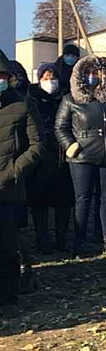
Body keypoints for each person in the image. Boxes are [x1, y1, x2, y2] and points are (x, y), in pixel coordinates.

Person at [55, 56, 106, 258]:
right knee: (82, 199)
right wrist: (71, 146)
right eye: (88, 73)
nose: (92, 77)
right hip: (81, 157)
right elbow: (60, 127)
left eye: (96, 73)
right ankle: (79, 242)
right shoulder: (70, 99)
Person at [0, 50, 43, 305]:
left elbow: (37, 145)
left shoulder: (22, 105)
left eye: (2, 75)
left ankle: (9, 294)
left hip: (9, 188)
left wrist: (13, 171)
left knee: (7, 246)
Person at [27, 63, 73, 254]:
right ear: (39, 80)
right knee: (40, 203)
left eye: (52, 77)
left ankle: (62, 238)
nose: (50, 81)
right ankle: (42, 240)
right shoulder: (32, 100)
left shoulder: (65, 98)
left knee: (64, 202)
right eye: (45, 78)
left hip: (63, 157)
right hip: (41, 158)